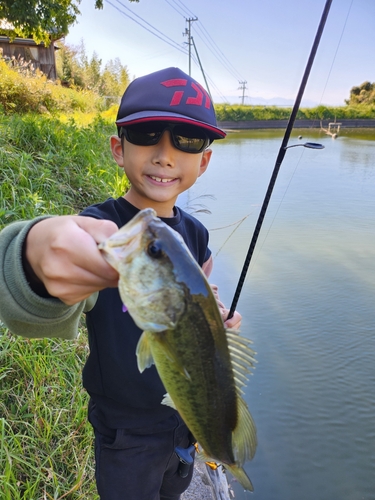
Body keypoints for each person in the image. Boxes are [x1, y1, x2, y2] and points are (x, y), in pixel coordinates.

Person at [0, 67, 242, 500]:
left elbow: (202, 289)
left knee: (176, 487)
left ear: (203, 161)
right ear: (118, 148)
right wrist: (31, 255)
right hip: (126, 432)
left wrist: (216, 314)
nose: (165, 154)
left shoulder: (197, 233)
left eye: (187, 140)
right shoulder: (102, 229)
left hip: (186, 419)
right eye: (147, 133)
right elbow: (49, 275)